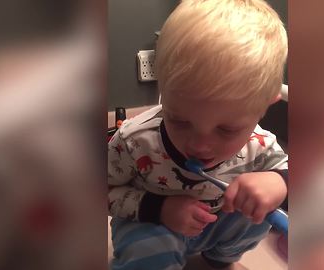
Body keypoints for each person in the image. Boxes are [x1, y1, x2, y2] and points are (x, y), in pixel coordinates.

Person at [108, 0, 288, 269]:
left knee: (258, 213)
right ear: (163, 90)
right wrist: (159, 208)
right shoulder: (134, 141)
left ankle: (219, 259)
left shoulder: (260, 145)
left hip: (217, 226)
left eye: (226, 129)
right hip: (154, 224)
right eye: (179, 120)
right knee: (146, 253)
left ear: (265, 106)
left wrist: (278, 183)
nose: (199, 146)